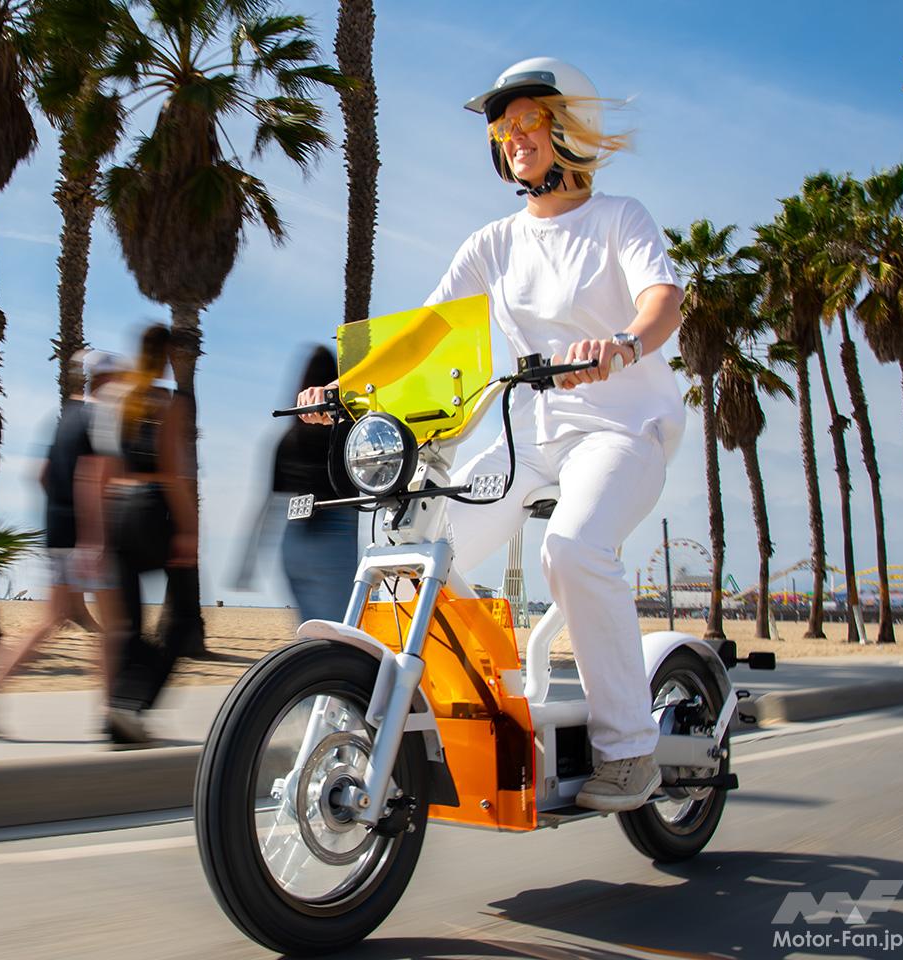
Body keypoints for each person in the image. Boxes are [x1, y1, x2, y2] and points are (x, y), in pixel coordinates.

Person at [299, 58, 685, 812]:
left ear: (568, 125)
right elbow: (424, 333)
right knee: (420, 553)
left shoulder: (619, 218)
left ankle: (628, 751)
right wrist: (343, 390)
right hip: (533, 436)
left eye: (529, 119)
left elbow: (662, 300)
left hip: (622, 427)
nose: (514, 136)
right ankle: (487, 704)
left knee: (571, 550)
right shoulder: (493, 243)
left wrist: (624, 344)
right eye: (503, 128)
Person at [0, 351, 124, 737]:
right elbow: (92, 479)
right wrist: (94, 539)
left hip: (57, 533)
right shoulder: (102, 416)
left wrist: (61, 516)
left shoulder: (66, 417)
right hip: (86, 538)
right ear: (107, 381)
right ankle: (112, 710)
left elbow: (41, 475)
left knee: (54, 618)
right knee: (116, 624)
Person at [84, 324, 198, 744]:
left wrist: (96, 536)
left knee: (129, 625)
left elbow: (101, 472)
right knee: (182, 620)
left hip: (117, 512)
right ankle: (134, 703)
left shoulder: (115, 398)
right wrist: (188, 530)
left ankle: (116, 712)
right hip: (153, 511)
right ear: (166, 355)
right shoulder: (167, 402)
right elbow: (171, 471)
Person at [234, 345, 358, 622]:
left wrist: (247, 564)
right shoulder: (348, 432)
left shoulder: (287, 438)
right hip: (335, 534)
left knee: (310, 628)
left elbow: (267, 505)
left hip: (293, 538)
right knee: (340, 629)